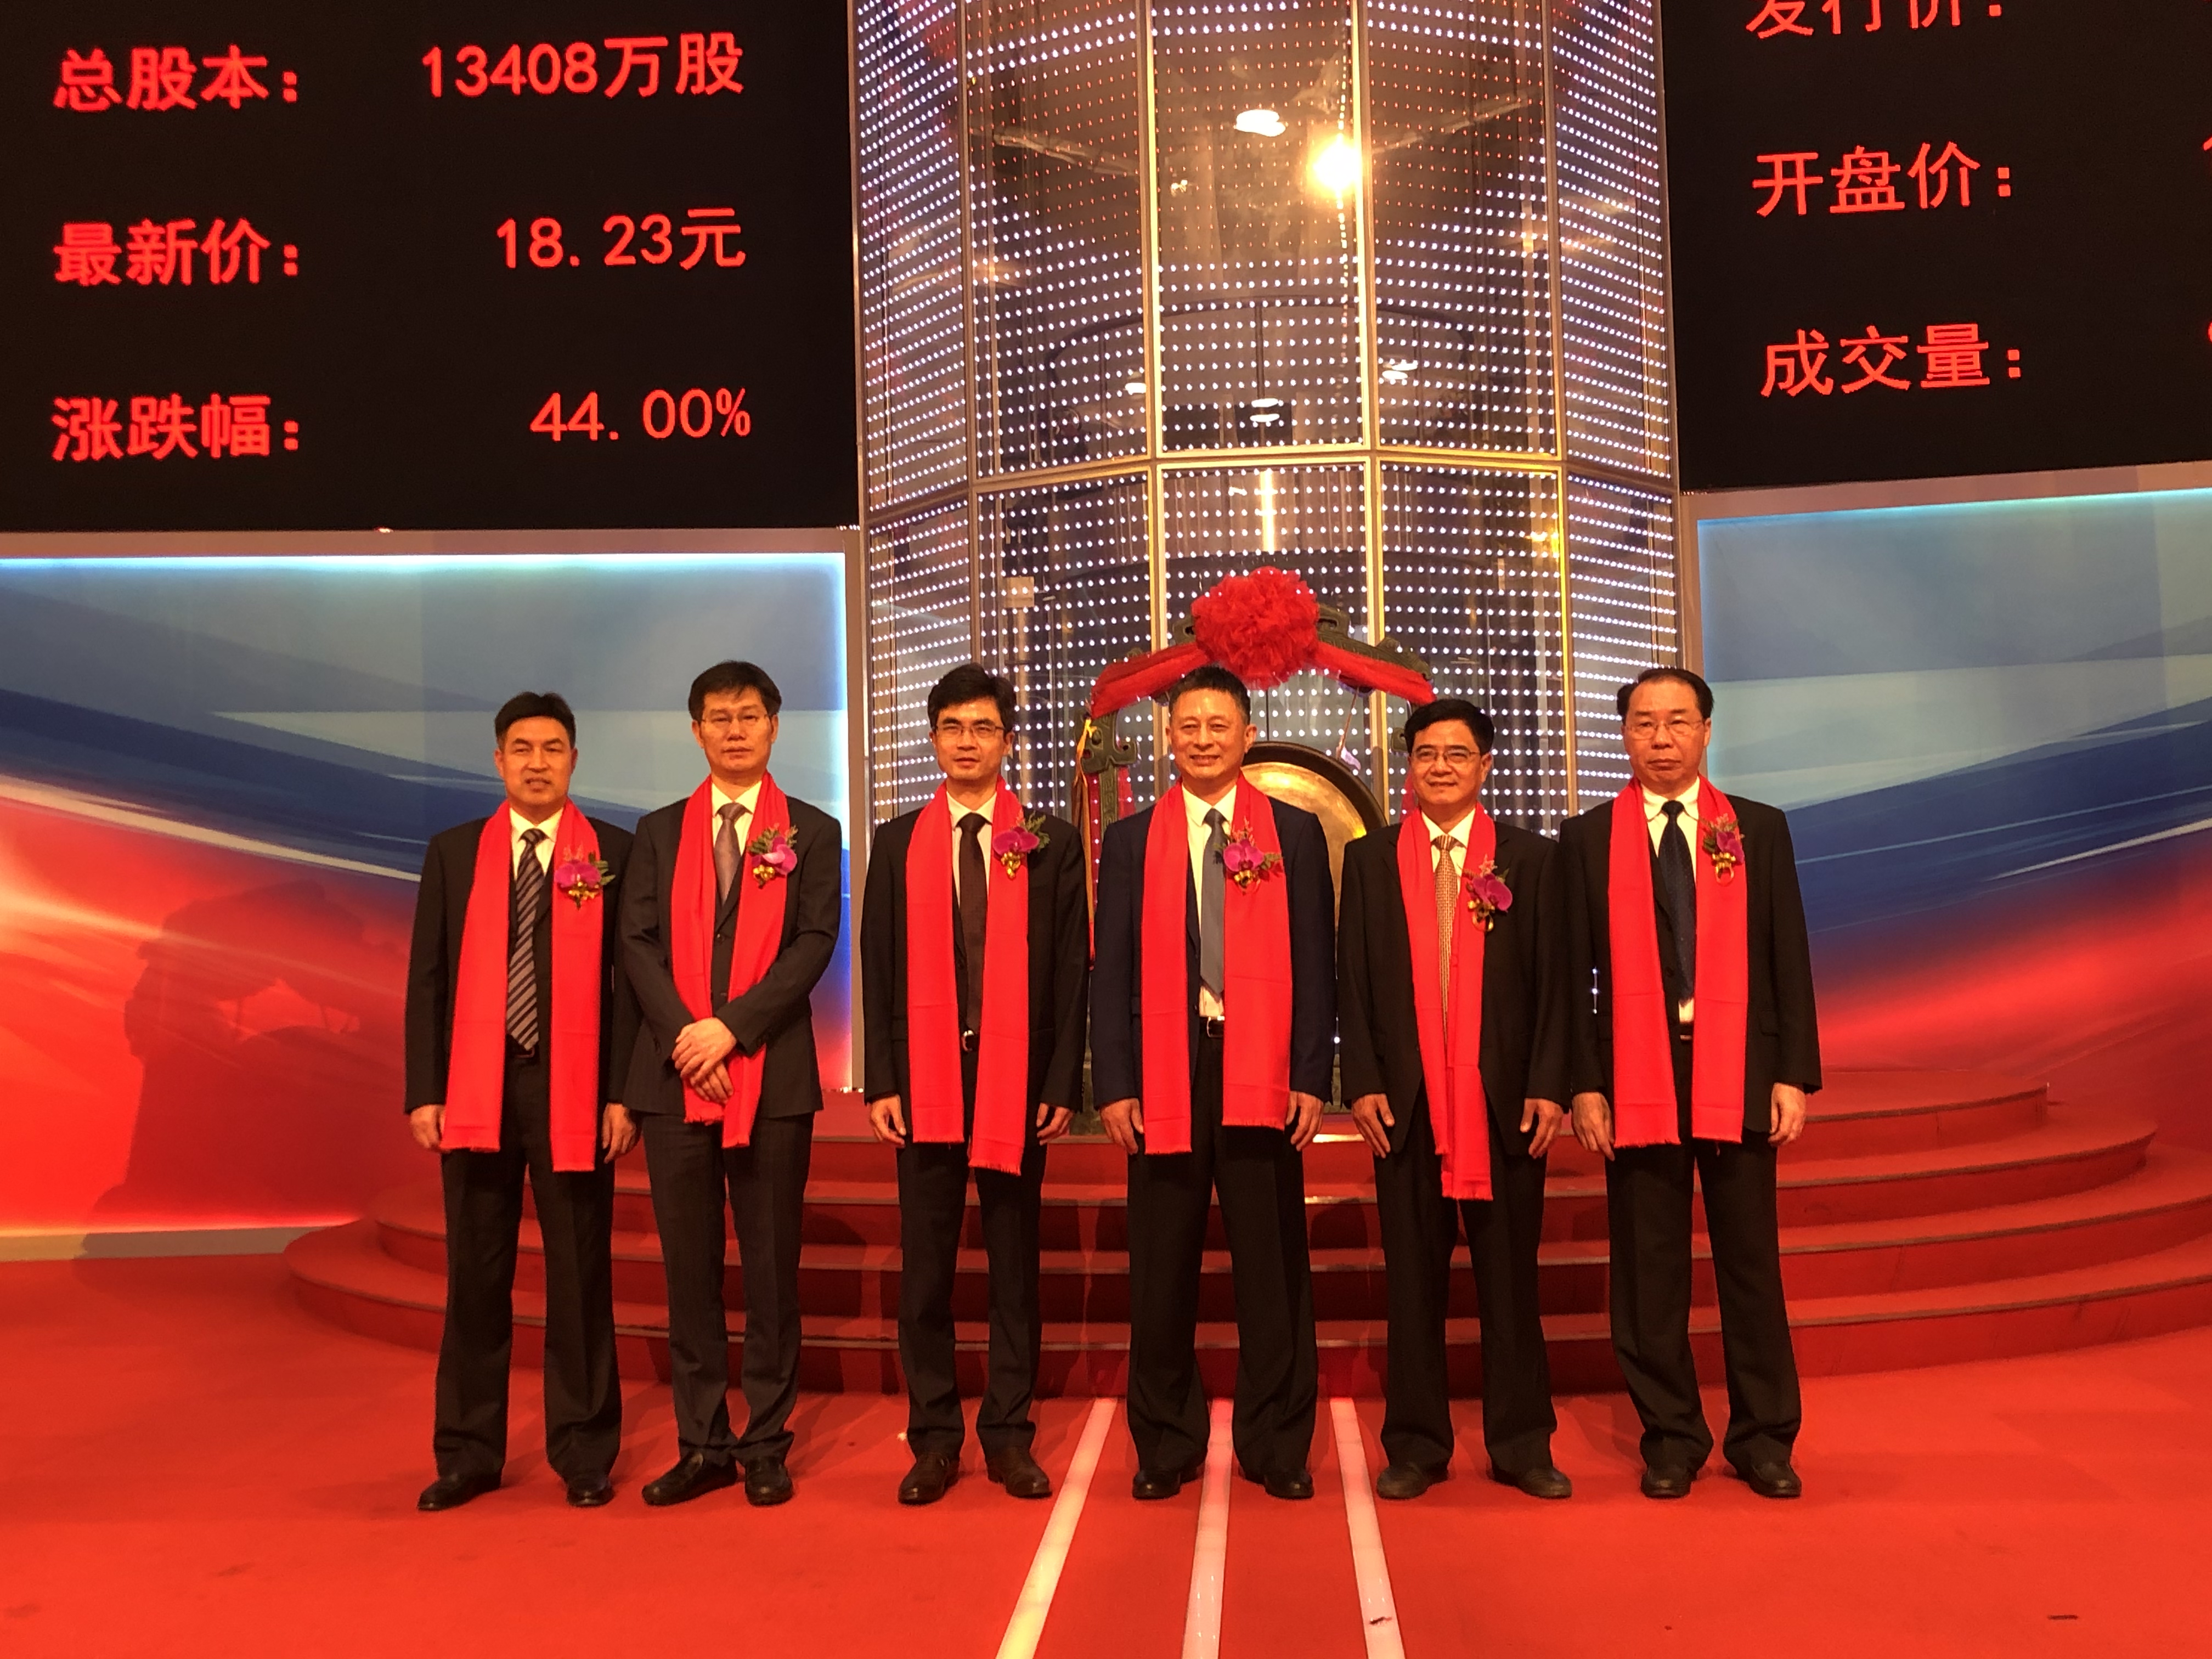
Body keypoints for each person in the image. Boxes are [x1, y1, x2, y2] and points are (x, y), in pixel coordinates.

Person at [1559, 667, 1820, 1500]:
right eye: (1644, 723)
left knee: (1751, 1263)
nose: (1661, 739)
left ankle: (1764, 1438)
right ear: (1624, 735)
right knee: (1649, 1269)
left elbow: (1787, 956)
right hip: (1636, 1069)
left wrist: (1792, 1074)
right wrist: (1584, 1084)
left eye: (1678, 722)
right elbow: (1571, 978)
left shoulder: (1757, 829)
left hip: (1738, 1062)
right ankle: (1671, 1436)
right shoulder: (1587, 839)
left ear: (1707, 731)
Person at [1090, 665, 1334, 1502]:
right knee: (1162, 1266)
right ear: (1169, 736)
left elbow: (1317, 962)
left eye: (1217, 725)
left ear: (1247, 733)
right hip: (1166, 1066)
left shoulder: (1294, 833)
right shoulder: (1132, 840)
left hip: (1261, 1067)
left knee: (1272, 1265)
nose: (1202, 739)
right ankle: (1166, 1441)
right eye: (1188, 725)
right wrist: (1115, 1082)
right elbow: (1110, 972)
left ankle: (1277, 1443)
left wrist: (1311, 1074)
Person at [404, 692, 640, 1512]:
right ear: (498, 760)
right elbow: (428, 978)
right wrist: (425, 1091)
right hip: (477, 1084)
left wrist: (621, 1096)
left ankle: (584, 1450)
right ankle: (468, 1453)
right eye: (522, 748)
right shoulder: (454, 852)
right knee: (475, 1274)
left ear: (575, 759)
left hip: (574, 1088)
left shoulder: (613, 851)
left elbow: (630, 990)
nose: (538, 763)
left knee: (580, 1273)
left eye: (553, 748)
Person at [860, 664, 1089, 1505]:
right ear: (933, 739)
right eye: (953, 727)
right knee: (926, 1274)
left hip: (1017, 1080)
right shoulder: (897, 842)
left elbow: (1071, 970)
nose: (967, 742)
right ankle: (933, 1439)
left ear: (1007, 741)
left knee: (1012, 1268)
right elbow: (878, 967)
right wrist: (882, 1080)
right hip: (925, 1079)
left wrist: (1062, 1079)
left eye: (983, 728)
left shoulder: (1050, 841)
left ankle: (1008, 1435)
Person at [620, 661, 842, 1507]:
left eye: (750, 715)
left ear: (774, 727)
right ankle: (702, 1442)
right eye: (719, 717)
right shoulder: (658, 832)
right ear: (696, 731)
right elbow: (637, 943)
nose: (736, 729)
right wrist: (689, 1035)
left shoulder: (811, 831)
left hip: (771, 1078)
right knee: (691, 1274)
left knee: (771, 1272)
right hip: (672, 1075)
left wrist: (732, 1029)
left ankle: (767, 1444)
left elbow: (813, 943)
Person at [1337, 698, 1571, 1502]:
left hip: (1505, 1106)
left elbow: (1557, 984)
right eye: (1427, 753)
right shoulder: (1370, 859)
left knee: (1511, 1285)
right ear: (1409, 764)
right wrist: (1363, 1080)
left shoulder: (1531, 860)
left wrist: (1548, 1084)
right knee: (1413, 1286)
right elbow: (1353, 981)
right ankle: (1416, 1445)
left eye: (1457, 754)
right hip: (1405, 1105)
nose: (1440, 767)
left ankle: (1522, 1444)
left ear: (1485, 766)